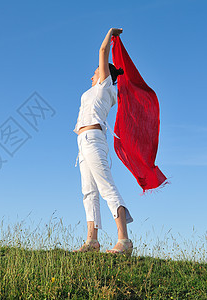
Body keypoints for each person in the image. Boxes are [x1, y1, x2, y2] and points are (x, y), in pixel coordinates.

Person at [72, 28, 134, 255]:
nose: (92, 74)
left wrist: (110, 33)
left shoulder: (104, 87)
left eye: (96, 70)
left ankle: (124, 240)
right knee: (89, 192)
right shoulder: (94, 90)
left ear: (105, 74)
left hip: (94, 139)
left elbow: (103, 50)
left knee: (107, 187)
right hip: (83, 141)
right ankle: (92, 242)